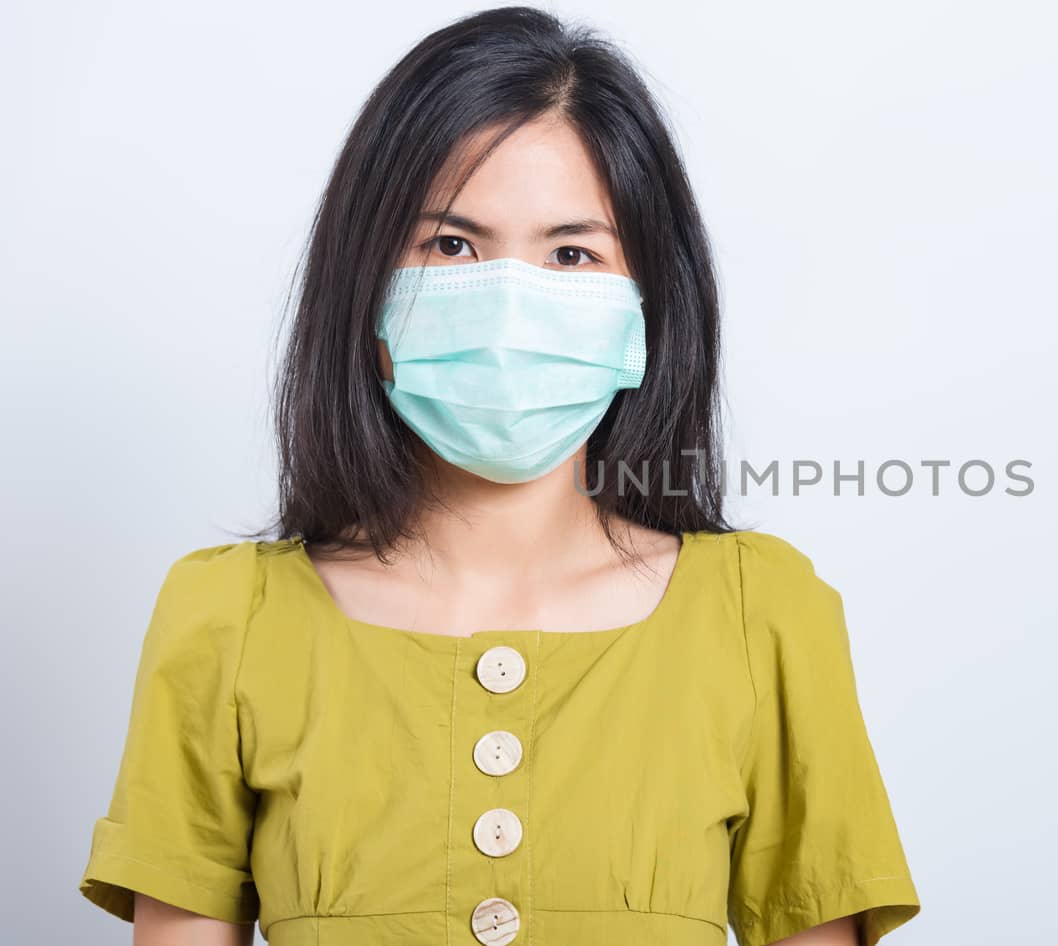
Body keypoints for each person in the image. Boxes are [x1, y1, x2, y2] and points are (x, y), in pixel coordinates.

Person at [75, 7, 920, 946]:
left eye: (571, 253)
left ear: (645, 306)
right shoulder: (225, 619)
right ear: (366, 283)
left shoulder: (765, 617)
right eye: (451, 244)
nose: (511, 301)